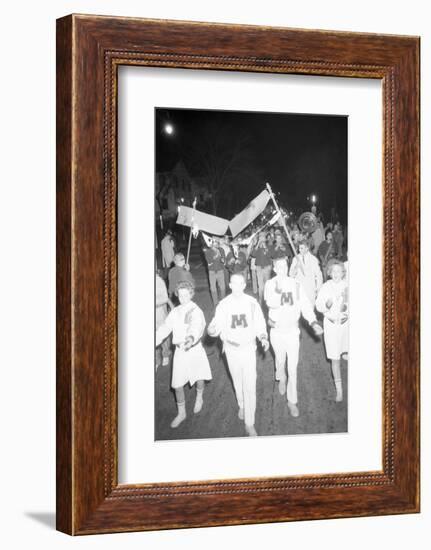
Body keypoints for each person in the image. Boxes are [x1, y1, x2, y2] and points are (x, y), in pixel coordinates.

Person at [207, 273, 269, 436]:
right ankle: (241, 404)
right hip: (231, 350)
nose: (238, 286)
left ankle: (250, 422)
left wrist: (263, 336)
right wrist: (211, 330)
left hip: (248, 349)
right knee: (237, 381)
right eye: (234, 283)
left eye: (241, 283)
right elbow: (216, 325)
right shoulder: (224, 305)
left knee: (250, 385)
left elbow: (260, 323)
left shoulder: (252, 303)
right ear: (230, 285)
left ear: (244, 285)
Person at [264, 258, 323, 417]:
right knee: (280, 361)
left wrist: (313, 322)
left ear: (288, 267)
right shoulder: (270, 284)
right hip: (277, 332)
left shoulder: (296, 284)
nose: (283, 268)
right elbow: (271, 303)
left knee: (293, 368)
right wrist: (279, 289)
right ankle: (281, 377)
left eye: (285, 265)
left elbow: (305, 305)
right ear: (274, 269)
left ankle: (292, 401)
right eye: (279, 266)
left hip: (292, 332)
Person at [156, 280, 212, 428]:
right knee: (177, 384)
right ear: (177, 295)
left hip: (194, 350)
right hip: (180, 352)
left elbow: (197, 325)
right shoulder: (174, 311)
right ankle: (182, 413)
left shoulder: (196, 310)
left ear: (191, 295)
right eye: (180, 295)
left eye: (186, 295)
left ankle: (199, 397)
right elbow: (165, 327)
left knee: (199, 377)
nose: (183, 298)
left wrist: (191, 338)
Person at [315, 259, 348, 402]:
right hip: (331, 325)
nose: (336, 274)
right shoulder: (325, 287)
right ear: (329, 273)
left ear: (343, 273)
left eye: (338, 271)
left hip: (346, 326)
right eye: (333, 271)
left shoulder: (347, 286)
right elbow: (318, 306)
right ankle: (339, 390)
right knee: (335, 359)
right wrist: (326, 305)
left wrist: (346, 308)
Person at [289, 238, 323, 307]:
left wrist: (318, 288)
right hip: (299, 288)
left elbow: (319, 275)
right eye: (299, 248)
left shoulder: (313, 259)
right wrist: (296, 266)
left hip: (310, 288)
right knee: (299, 309)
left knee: (310, 309)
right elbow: (291, 275)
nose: (299, 250)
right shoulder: (295, 259)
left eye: (301, 248)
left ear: (307, 248)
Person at [155, 271, 171, 369]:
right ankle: (156, 359)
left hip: (159, 312)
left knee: (162, 333)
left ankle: (165, 354)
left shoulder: (158, 281)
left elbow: (165, 298)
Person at [204, 238, 226, 306]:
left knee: (222, 287)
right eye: (214, 242)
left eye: (216, 242)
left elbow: (223, 260)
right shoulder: (208, 251)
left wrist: (222, 259)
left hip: (220, 271)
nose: (215, 243)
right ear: (211, 243)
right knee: (213, 288)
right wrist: (216, 255)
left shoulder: (221, 249)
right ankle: (215, 303)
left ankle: (223, 302)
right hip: (212, 272)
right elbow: (209, 262)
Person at [251, 233, 273, 303]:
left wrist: (265, 247)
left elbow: (270, 255)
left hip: (267, 267)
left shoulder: (268, 246)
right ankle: (261, 300)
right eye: (260, 237)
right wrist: (258, 244)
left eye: (263, 237)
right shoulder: (256, 247)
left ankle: (267, 299)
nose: (262, 238)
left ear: (265, 238)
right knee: (261, 286)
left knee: (267, 285)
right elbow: (253, 255)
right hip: (259, 268)